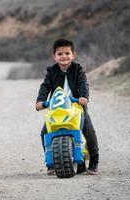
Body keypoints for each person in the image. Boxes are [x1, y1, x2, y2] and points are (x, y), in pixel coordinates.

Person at [35, 38, 99, 175]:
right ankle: (51, 163)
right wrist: (40, 101)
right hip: (57, 108)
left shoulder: (78, 70)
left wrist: (83, 97)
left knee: (89, 132)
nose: (64, 56)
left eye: (67, 53)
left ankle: (94, 163)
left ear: (73, 55)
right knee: (45, 133)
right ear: (54, 56)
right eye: (60, 54)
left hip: (76, 108)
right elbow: (45, 86)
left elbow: (83, 84)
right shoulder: (51, 71)